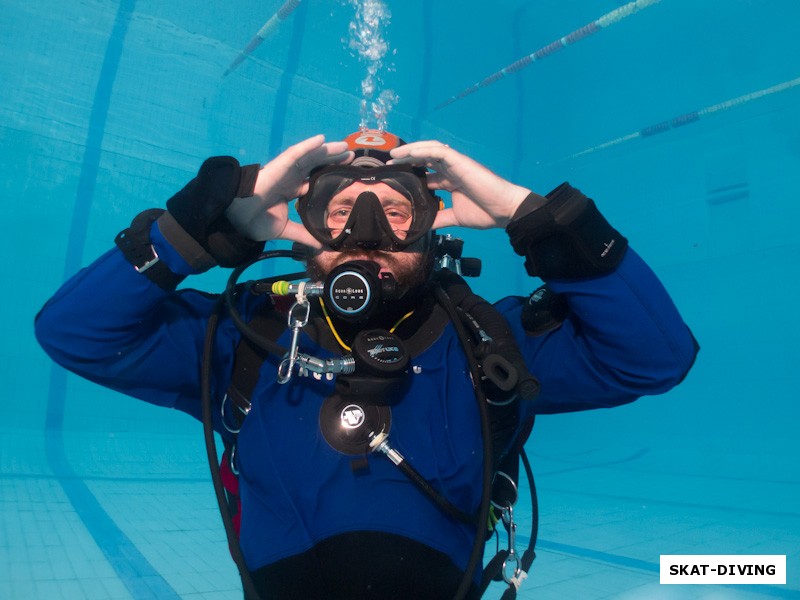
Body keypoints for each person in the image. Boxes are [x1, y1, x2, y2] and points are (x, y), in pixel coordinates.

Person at [35, 129, 699, 599]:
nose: (367, 232)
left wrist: (535, 220)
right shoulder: (251, 336)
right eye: (341, 210)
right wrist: (191, 233)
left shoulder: (485, 338)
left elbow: (655, 358)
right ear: (306, 226)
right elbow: (74, 334)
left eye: (397, 211)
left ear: (435, 229)